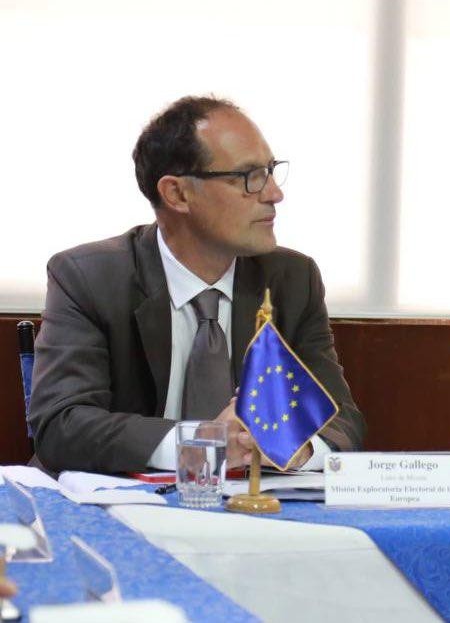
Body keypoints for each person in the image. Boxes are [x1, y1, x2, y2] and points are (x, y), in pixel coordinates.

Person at [28, 96, 365, 474]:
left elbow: (342, 420)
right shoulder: (88, 277)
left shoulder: (292, 279)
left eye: (271, 171)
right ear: (177, 194)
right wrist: (202, 442)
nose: (274, 193)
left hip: (251, 506)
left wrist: (295, 451)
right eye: (249, 177)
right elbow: (62, 424)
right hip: (116, 503)